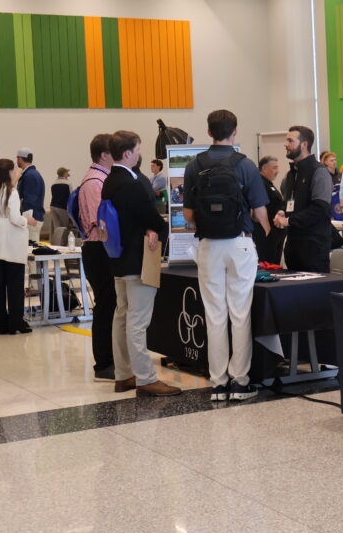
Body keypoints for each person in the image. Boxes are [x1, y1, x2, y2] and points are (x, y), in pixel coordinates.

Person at [183, 109, 270, 402]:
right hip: (240, 243)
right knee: (240, 312)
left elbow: (188, 215)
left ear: (209, 132)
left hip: (209, 245)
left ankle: (218, 383)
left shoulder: (195, 165)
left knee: (215, 313)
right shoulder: (245, 165)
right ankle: (240, 382)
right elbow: (259, 212)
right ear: (235, 132)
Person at [101, 130, 179, 397]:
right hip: (137, 258)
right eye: (136, 149)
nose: (139, 154)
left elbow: (130, 217)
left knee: (121, 315)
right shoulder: (130, 183)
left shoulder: (110, 180)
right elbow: (149, 215)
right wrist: (160, 227)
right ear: (127, 153)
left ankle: (123, 374)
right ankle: (146, 378)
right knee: (137, 320)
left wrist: (149, 225)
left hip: (118, 259)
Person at [0, 159, 37, 334]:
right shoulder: (10, 191)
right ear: (10, 172)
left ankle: (2, 324)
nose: (18, 171)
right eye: (16, 169)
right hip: (12, 244)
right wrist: (27, 220)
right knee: (15, 286)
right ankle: (16, 323)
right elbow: (14, 217)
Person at [77, 134, 117, 381]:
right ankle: (103, 363)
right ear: (104, 154)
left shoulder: (101, 179)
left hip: (102, 248)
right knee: (105, 305)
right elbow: (100, 224)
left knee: (111, 304)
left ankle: (112, 358)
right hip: (99, 249)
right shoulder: (94, 182)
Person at [275, 125, 332, 272]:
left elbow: (319, 209)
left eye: (290, 141)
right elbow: (287, 202)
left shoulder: (319, 172)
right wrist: (281, 212)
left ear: (304, 144)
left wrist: (289, 221)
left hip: (313, 248)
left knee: (314, 294)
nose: (285, 144)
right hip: (293, 247)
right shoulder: (291, 174)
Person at [254, 156, 286, 264]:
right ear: (264, 168)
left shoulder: (268, 184)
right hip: (266, 234)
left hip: (275, 233)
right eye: (274, 168)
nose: (277, 171)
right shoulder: (259, 184)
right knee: (268, 264)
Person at [16, 147, 45, 241]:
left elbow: (30, 200)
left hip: (31, 219)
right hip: (32, 218)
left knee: (30, 251)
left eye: (17, 158)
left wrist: (26, 218)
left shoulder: (30, 175)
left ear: (20, 159)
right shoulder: (31, 174)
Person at [44, 167, 72, 240]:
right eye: (67, 173)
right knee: (65, 227)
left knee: (57, 227)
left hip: (53, 206)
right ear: (64, 174)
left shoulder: (54, 183)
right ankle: (64, 244)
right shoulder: (68, 183)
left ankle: (57, 243)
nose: (68, 174)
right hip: (62, 207)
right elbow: (71, 196)